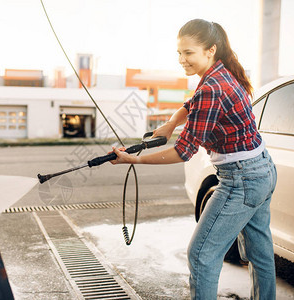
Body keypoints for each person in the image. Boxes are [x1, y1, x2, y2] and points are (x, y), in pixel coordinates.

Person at [110, 19, 277, 300]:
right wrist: (170, 124)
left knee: (201, 254)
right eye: (179, 52)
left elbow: (183, 151)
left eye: (189, 53)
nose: (181, 60)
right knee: (260, 254)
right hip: (262, 171)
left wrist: (133, 160)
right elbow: (192, 104)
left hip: (242, 180)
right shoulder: (220, 74)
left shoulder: (212, 86)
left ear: (210, 50)